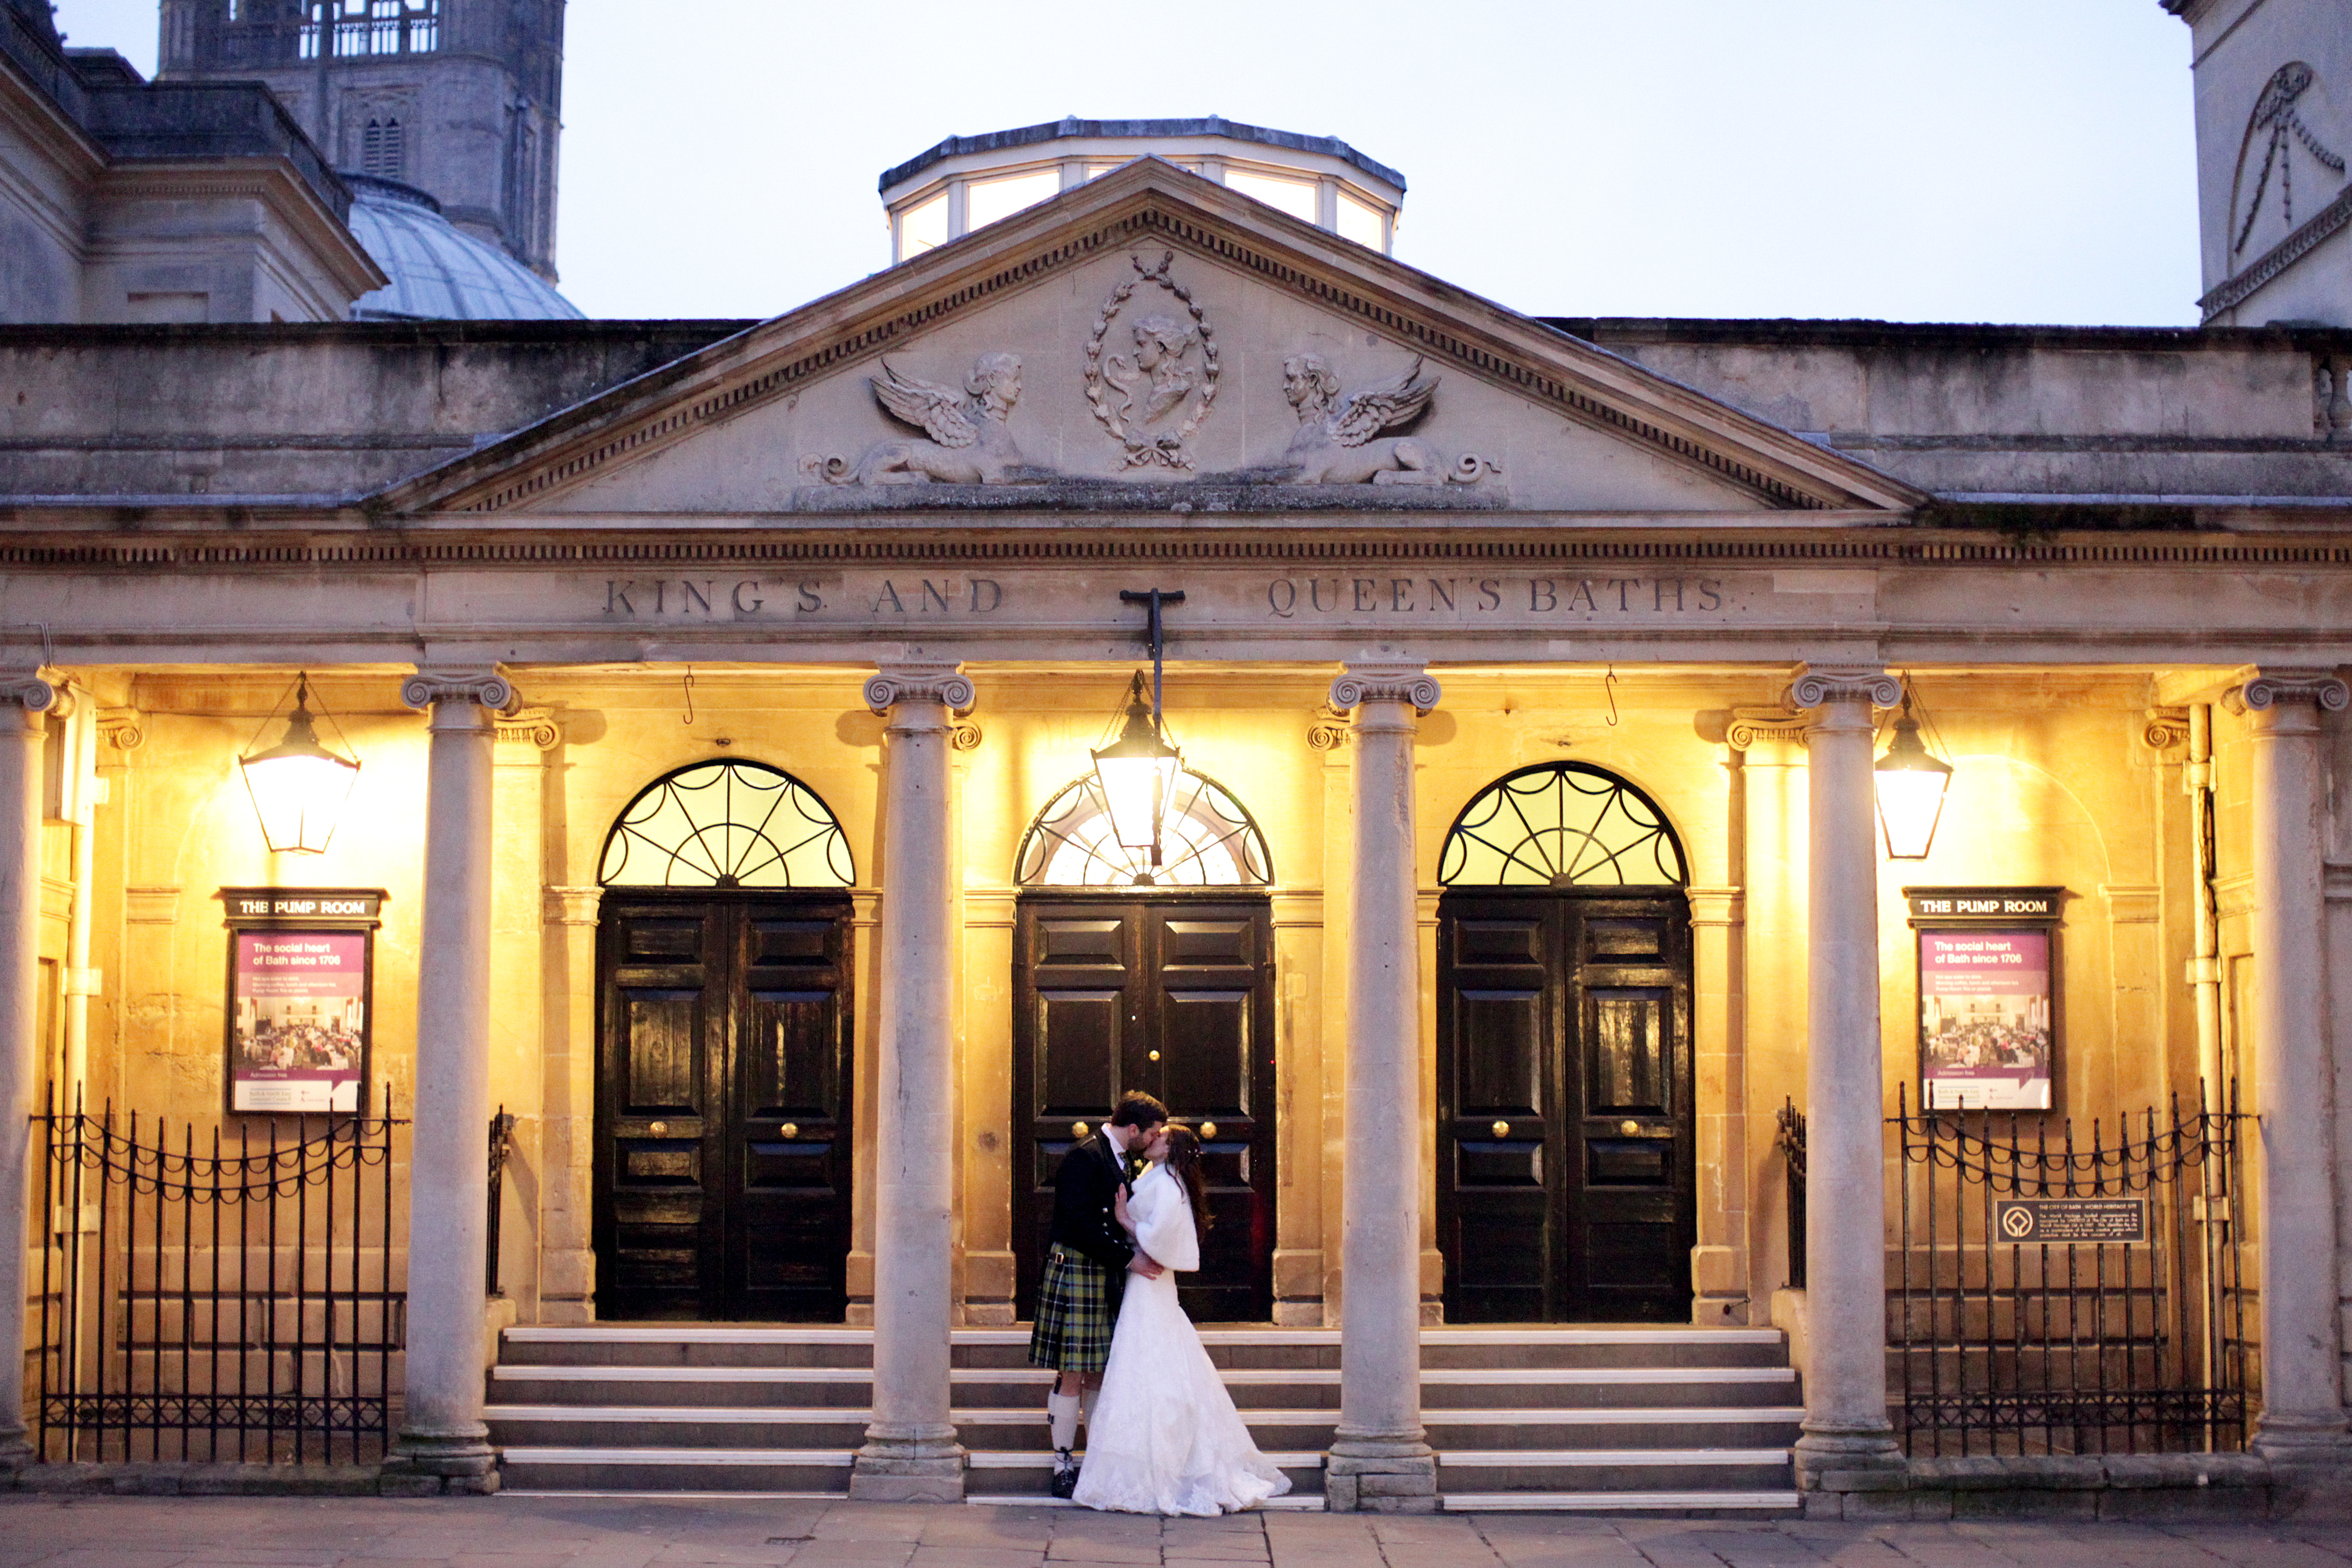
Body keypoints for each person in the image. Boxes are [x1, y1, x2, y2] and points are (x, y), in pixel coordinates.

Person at [1073, 1123, 1292, 1516]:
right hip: (1141, 1281)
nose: (1153, 1140)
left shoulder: (1170, 1186)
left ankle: (1166, 1467)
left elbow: (1160, 1236)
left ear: (1171, 1151)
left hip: (1151, 1280)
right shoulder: (1155, 1176)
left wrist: (1124, 1219)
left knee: (1152, 1358)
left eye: (1162, 1138)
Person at [1029, 1090, 1168, 1499]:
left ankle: (1096, 1458)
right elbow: (1077, 1224)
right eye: (1153, 1132)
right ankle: (1063, 1463)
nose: (1154, 1139)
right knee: (1073, 1371)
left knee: (1100, 1370)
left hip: (1102, 1273)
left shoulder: (1122, 1159)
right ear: (1132, 1129)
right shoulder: (1084, 1156)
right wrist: (1129, 1260)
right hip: (1079, 1267)